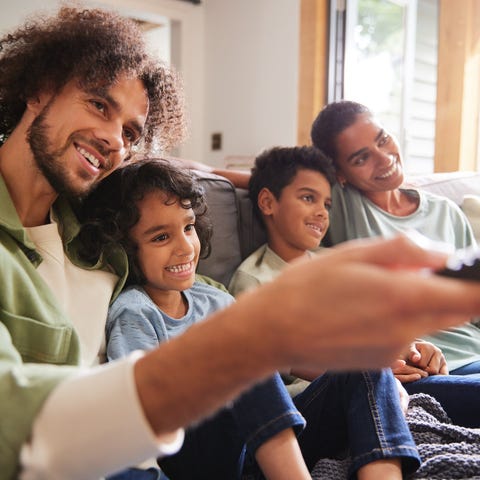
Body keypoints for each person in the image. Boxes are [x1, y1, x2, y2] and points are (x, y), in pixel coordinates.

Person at [2, 6, 480, 480]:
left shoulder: (99, 231)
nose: (114, 140)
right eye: (99, 104)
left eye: (131, 132)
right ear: (40, 86)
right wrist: (245, 340)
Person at [79, 159, 310, 480]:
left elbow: (272, 393)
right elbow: (146, 408)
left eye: (188, 228)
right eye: (161, 238)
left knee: (366, 374)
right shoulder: (135, 310)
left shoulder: (215, 299)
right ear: (126, 249)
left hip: (255, 449)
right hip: (189, 451)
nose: (186, 247)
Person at [228, 145, 423, 479]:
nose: (321, 212)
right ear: (267, 203)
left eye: (326, 203)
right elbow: (264, 361)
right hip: (307, 414)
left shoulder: (336, 263)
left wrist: (413, 349)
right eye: (308, 198)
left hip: (384, 388)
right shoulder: (253, 279)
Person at [310, 100, 480, 427]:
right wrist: (207, 171)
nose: (384, 157)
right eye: (362, 158)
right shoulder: (342, 206)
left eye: (383, 139)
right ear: (339, 174)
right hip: (427, 371)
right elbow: (277, 178)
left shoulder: (446, 211)